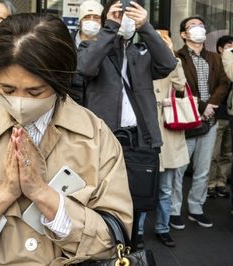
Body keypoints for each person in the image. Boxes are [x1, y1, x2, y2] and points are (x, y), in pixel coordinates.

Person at [0, 13, 133, 266]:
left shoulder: (95, 136)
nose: (20, 101)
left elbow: (112, 237)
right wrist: (5, 192)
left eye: (35, 91)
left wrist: (42, 193)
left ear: (60, 80)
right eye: (7, 89)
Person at [77, 0, 176, 249]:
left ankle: (135, 240)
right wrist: (109, 27)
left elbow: (167, 64)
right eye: (119, 14)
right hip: (105, 137)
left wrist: (146, 26)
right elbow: (85, 69)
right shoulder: (92, 47)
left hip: (139, 137)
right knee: (103, 193)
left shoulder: (141, 51)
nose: (125, 19)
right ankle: (106, 241)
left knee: (140, 194)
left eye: (129, 15)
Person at [170, 16, 229, 230]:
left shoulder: (214, 57)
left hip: (210, 121)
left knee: (203, 170)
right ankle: (173, 210)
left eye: (201, 26)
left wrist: (211, 105)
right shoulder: (177, 57)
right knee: (178, 169)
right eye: (192, 26)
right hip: (186, 121)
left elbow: (224, 83)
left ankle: (196, 208)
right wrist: (202, 106)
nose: (198, 29)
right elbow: (179, 86)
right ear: (184, 34)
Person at [137, 31, 190, 248]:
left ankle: (163, 227)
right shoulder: (137, 59)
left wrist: (171, 54)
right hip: (145, 131)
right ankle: (137, 230)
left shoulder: (170, 63)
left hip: (167, 133)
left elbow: (181, 85)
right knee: (141, 186)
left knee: (166, 188)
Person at [207, 35, 233, 199]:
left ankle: (221, 182)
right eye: (229, 46)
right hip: (219, 112)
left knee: (227, 152)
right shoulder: (216, 62)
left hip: (230, 114)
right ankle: (209, 183)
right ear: (220, 49)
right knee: (213, 152)